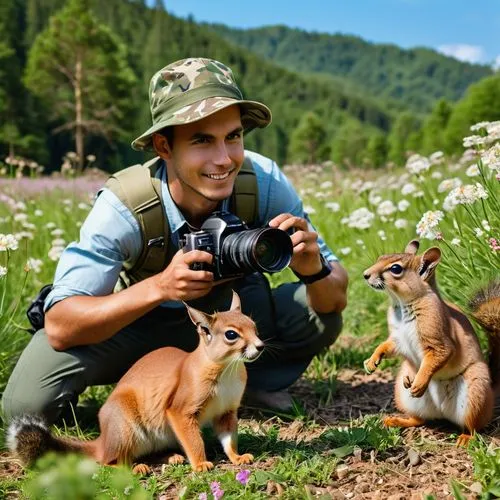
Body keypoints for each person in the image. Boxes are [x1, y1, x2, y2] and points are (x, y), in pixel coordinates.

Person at [2, 58, 348, 424]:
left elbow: (335, 297)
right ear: (164, 147)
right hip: (134, 325)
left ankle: (243, 388)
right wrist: (162, 286)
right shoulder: (126, 206)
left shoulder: (262, 181)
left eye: (233, 136)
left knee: (317, 314)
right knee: (26, 407)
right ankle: (137, 411)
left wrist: (313, 271)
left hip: (223, 321)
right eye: (202, 140)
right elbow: (59, 323)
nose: (224, 158)